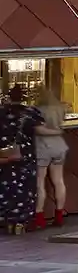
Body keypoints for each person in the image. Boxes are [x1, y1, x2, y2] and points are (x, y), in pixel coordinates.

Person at [0, 86, 40, 234]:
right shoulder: (31, 113)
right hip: (25, 157)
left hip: (4, 158)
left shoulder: (1, 112)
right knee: (25, 191)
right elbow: (42, 131)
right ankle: (19, 224)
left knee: (6, 189)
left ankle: (8, 221)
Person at [31, 90, 67, 230]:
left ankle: (39, 217)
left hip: (43, 147)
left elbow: (39, 130)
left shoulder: (36, 111)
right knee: (59, 181)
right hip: (59, 146)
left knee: (40, 183)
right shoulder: (60, 109)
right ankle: (59, 215)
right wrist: (58, 131)